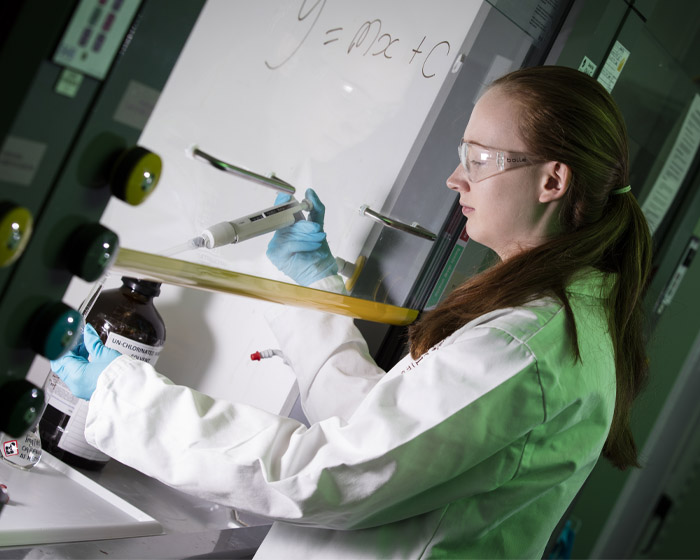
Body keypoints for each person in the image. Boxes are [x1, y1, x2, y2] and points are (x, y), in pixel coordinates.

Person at [50, 65, 652, 559]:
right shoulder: (548, 321)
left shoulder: (527, 344)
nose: (454, 178)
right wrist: (309, 290)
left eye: (479, 158)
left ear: (553, 181)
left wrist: (120, 395)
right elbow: (385, 433)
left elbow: (333, 473)